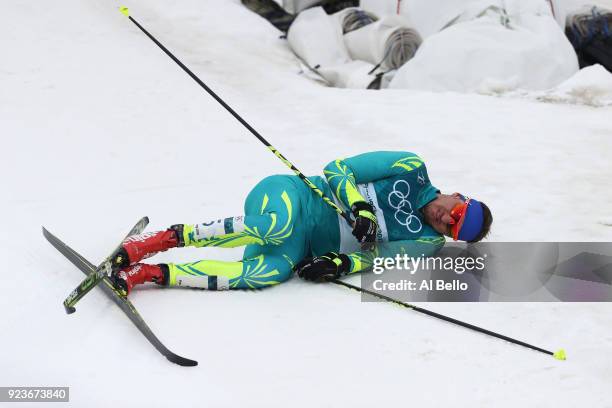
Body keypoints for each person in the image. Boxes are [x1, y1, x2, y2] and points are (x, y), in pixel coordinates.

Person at [111, 151, 493, 294]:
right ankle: (160, 239)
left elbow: (377, 257)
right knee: (276, 224)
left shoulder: (428, 241)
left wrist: (341, 263)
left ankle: (151, 274)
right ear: (458, 196)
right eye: (454, 213)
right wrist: (359, 207)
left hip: (303, 244)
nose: (444, 220)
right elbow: (338, 168)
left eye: (451, 228)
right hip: (291, 197)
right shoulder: (411, 168)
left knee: (269, 273)